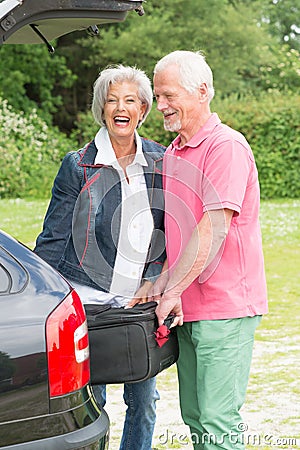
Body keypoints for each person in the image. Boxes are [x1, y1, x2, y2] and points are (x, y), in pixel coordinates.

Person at [34, 64, 166, 450]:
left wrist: (154, 277)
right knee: (94, 401)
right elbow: (55, 237)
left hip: (138, 303)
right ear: (102, 109)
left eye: (130, 100)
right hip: (90, 303)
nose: (120, 107)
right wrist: (43, 297)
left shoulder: (159, 161)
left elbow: (167, 230)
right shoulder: (78, 165)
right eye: (112, 100)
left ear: (142, 109)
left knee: (143, 402)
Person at [151, 50, 268, 450]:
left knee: (218, 423)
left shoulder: (226, 146)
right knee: (197, 418)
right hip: (188, 307)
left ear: (201, 91)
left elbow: (212, 228)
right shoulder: (172, 153)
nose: (160, 105)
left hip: (226, 307)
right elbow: (176, 232)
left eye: (168, 95)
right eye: (157, 95)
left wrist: (170, 290)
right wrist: (167, 287)